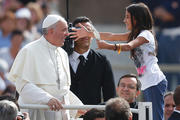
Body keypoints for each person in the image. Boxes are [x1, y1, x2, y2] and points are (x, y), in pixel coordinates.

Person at [70, 3, 167, 120]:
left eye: (127, 17)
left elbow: (129, 46)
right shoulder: (135, 34)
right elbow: (111, 35)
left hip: (154, 81)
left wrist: (108, 46)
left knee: (156, 117)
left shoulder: (145, 34)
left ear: (136, 19)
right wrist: (91, 34)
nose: (124, 20)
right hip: (148, 83)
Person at [8, 14, 83, 120]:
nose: (67, 34)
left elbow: (62, 90)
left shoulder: (63, 53)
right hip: (37, 111)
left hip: (60, 113)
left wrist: (78, 106)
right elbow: (23, 86)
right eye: (64, 30)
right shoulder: (29, 50)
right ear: (51, 31)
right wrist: (47, 99)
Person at [68, 16, 116, 105]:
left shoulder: (102, 61)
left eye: (88, 30)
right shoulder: (61, 58)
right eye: (80, 30)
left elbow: (110, 97)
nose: (85, 34)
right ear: (72, 33)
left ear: (93, 35)